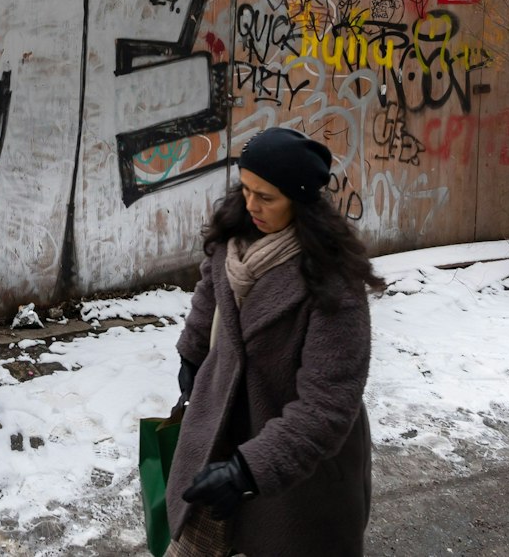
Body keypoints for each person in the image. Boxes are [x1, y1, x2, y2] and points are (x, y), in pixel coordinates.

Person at [164, 127, 383, 557]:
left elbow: (327, 406)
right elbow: (212, 288)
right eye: (246, 189)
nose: (250, 204)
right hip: (217, 438)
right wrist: (192, 353)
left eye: (266, 197)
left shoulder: (333, 280)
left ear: (299, 201)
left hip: (295, 467)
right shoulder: (237, 230)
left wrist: (248, 470)